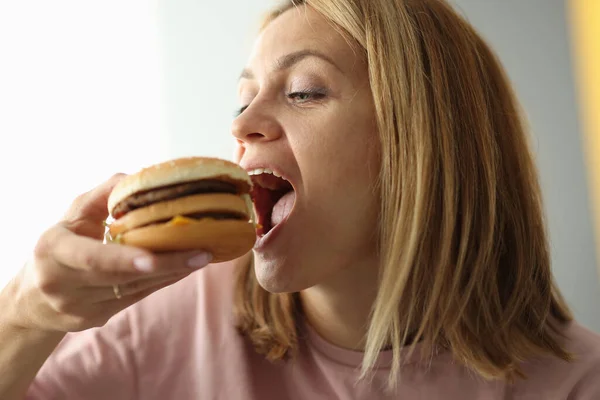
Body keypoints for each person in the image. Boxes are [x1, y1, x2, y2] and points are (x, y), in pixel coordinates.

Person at [1, 0, 599, 399]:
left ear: (427, 141)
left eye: (305, 92)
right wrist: (25, 317)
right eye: (242, 100)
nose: (243, 126)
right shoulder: (170, 318)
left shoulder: (574, 381)